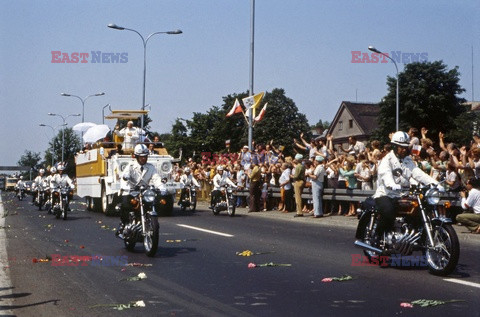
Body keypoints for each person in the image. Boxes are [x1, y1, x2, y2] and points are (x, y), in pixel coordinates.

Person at [373, 131, 441, 236]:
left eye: (405, 147)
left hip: (402, 194)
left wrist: (434, 183)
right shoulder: (387, 159)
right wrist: (391, 184)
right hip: (386, 194)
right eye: (401, 147)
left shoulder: (407, 159)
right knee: (388, 212)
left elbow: (417, 173)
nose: (404, 149)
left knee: (419, 209)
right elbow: (385, 174)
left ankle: (414, 235)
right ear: (394, 146)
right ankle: (378, 236)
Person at [117, 144, 164, 236]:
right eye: (141, 157)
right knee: (125, 205)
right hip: (131, 190)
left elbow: (156, 178)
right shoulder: (130, 166)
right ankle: (123, 224)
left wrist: (161, 187)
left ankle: (149, 223)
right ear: (136, 157)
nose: (143, 159)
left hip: (144, 191)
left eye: (145, 156)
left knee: (155, 202)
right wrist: (126, 180)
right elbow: (124, 176)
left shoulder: (151, 167)